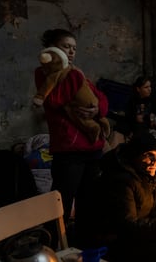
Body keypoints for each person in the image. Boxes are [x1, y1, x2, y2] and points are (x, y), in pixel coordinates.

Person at [74, 132, 156, 261]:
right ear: (135, 156)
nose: (155, 161)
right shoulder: (121, 181)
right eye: (148, 155)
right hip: (108, 239)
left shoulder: (145, 175)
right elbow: (127, 226)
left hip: (130, 233)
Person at [34, 28, 109, 225]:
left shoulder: (77, 74)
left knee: (89, 200)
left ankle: (82, 245)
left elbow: (101, 99)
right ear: (52, 50)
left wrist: (96, 111)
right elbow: (56, 101)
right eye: (65, 47)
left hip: (93, 148)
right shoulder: (44, 75)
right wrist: (74, 77)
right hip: (68, 151)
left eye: (74, 48)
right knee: (61, 202)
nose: (71, 52)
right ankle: (54, 243)